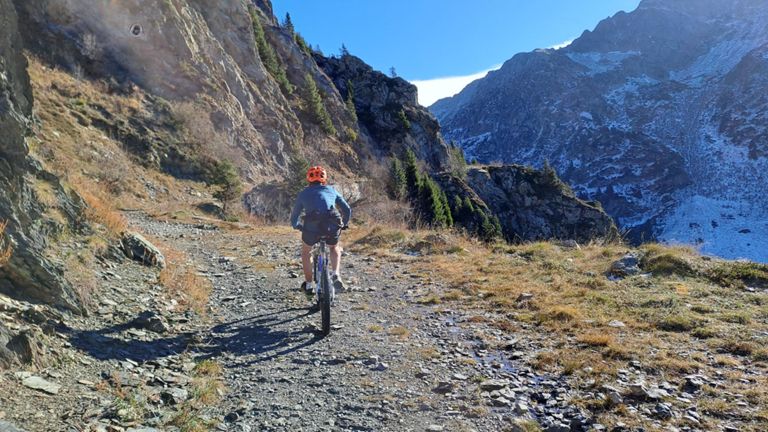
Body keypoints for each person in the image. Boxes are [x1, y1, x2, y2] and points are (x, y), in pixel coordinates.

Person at [290, 166, 351, 296]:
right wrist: (344, 224)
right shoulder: (331, 190)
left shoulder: (304, 193)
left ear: (309, 179)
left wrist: (296, 225)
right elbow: (347, 209)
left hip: (311, 227)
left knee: (306, 252)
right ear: (324, 179)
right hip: (331, 224)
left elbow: (294, 215)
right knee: (334, 247)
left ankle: (308, 284)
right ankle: (336, 274)